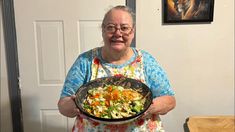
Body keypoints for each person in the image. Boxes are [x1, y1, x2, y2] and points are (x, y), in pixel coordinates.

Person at [58, 5, 176, 132]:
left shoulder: (146, 61)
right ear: (103, 30)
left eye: (124, 28)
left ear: (133, 32)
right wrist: (76, 105)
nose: (118, 33)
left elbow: (169, 100)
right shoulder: (84, 61)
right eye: (111, 27)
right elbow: (63, 104)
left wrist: (150, 107)